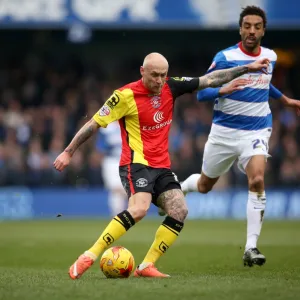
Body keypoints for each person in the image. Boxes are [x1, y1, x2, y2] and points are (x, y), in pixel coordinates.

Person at [53, 52, 269, 279]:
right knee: (139, 209)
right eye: (154, 75)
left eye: (163, 75)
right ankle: (89, 254)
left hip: (162, 167)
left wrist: (248, 68)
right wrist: (68, 152)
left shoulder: (171, 86)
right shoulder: (124, 96)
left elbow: (210, 80)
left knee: (180, 210)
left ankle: (146, 265)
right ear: (142, 71)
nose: (159, 80)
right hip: (135, 164)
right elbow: (93, 124)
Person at [180, 6, 300, 267]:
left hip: (256, 131)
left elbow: (265, 83)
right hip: (223, 133)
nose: (252, 30)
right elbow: (201, 93)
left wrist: (287, 99)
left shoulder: (271, 56)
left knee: (257, 179)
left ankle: (251, 247)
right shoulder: (225, 57)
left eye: (257, 26)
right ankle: (182, 188)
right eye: (247, 25)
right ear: (240, 28)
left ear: (263, 30)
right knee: (204, 185)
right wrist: (224, 89)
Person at [96, 121, 127, 216]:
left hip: (127, 160)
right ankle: (117, 216)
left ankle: (121, 217)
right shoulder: (106, 128)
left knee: (123, 190)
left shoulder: (129, 124)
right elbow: (100, 146)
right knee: (115, 189)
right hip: (111, 161)